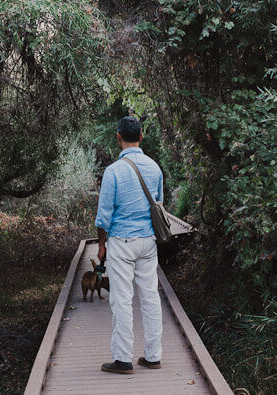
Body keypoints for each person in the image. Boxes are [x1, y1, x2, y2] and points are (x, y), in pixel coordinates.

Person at [94, 115, 164, 375]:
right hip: (147, 242)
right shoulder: (155, 168)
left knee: (122, 299)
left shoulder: (113, 171)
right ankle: (153, 355)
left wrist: (102, 245)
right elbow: (158, 205)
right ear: (141, 137)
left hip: (121, 242)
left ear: (118, 137)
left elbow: (104, 217)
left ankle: (123, 360)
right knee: (149, 297)